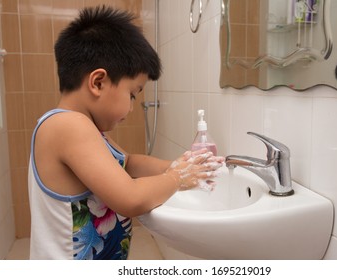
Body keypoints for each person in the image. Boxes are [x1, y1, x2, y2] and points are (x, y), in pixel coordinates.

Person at [28, 5, 224, 260]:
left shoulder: (87, 127)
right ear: (98, 82)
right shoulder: (67, 126)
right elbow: (129, 198)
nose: (132, 107)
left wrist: (175, 165)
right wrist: (177, 177)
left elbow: (127, 163)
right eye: (132, 94)